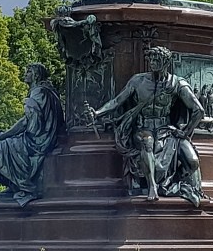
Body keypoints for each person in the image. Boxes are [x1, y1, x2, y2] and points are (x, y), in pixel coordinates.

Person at [88, 46, 206, 206]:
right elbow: (117, 101)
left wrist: (184, 132)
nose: (152, 63)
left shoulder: (177, 83)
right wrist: (97, 113)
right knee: (147, 142)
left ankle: (182, 186)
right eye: (150, 59)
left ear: (166, 62)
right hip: (143, 128)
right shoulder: (138, 80)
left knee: (192, 161)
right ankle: (152, 187)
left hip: (167, 130)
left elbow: (198, 110)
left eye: (156, 60)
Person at [0, 63, 64, 207]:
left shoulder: (38, 92)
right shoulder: (48, 91)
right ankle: (15, 186)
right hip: (49, 138)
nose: (25, 74)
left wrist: (4, 135)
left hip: (39, 141)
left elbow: (27, 123)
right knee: (7, 146)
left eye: (28, 72)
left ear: (36, 75)